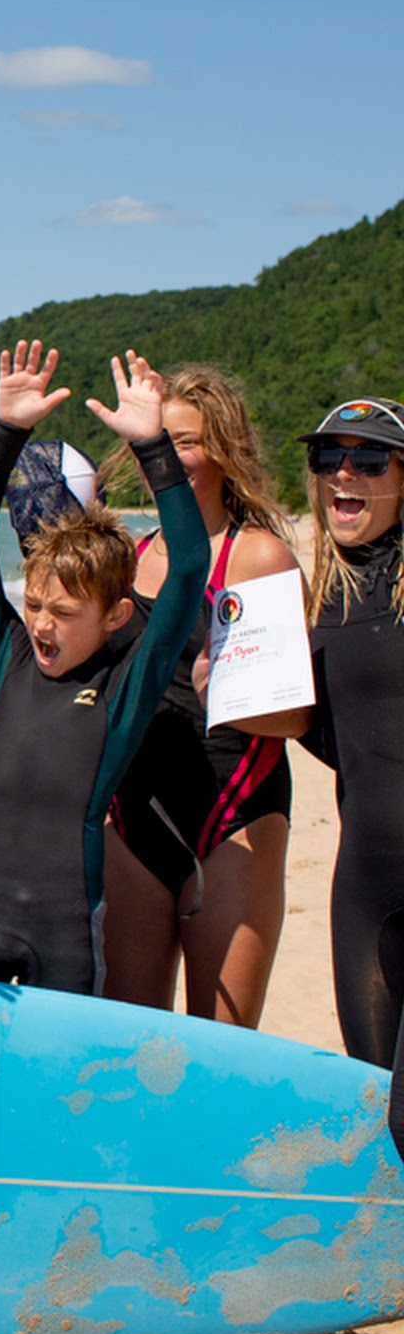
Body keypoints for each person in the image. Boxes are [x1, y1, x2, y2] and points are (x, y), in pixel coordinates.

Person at [0, 344, 209, 994]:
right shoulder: (5, 654)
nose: (41, 625)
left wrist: (152, 446)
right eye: (33, 605)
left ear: (115, 616)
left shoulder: (124, 684)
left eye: (63, 612)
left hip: (62, 928)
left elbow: (190, 565)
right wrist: (6, 431)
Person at [98, 364, 300, 1026]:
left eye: (184, 441)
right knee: (131, 1041)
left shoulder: (258, 556)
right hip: (133, 813)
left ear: (223, 451)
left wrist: (236, 697)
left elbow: (298, 719)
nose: (168, 455)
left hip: (234, 810)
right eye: (158, 440)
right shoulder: (127, 558)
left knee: (222, 1046)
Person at [226, 398, 404, 1071]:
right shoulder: (320, 600)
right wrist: (229, 687)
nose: (344, 473)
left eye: (370, 458)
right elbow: (322, 731)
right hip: (364, 888)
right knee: (374, 1092)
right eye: (329, 457)